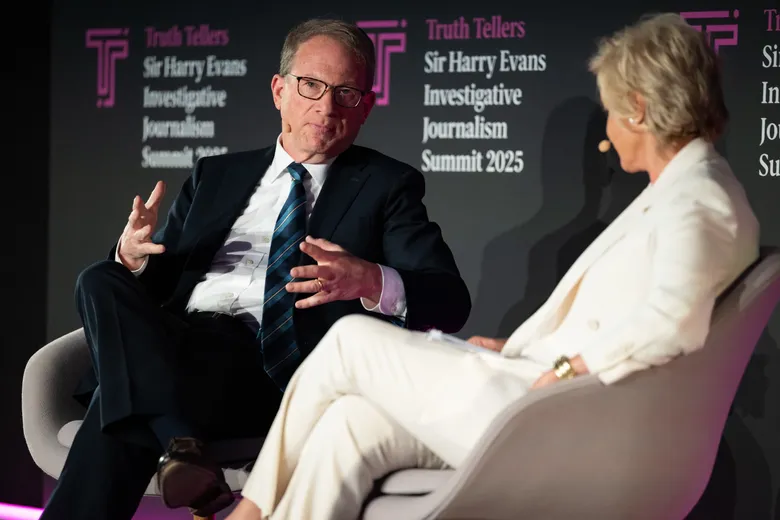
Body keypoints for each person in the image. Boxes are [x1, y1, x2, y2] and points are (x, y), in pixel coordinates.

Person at [225, 13, 761, 520]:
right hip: (541, 390)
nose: (609, 131)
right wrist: (522, 349)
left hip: (562, 415)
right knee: (349, 424)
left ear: (639, 109)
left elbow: (671, 322)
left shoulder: (699, 202)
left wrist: (566, 367)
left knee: (349, 341)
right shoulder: (684, 195)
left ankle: (248, 510)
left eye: (612, 111)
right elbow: (634, 314)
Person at [39, 17, 471, 520]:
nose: (326, 106)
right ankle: (184, 444)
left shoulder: (387, 185)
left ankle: (180, 442)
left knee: (122, 402)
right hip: (177, 345)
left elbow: (449, 298)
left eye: (347, 92)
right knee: (99, 276)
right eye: (311, 85)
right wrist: (133, 259)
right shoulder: (216, 174)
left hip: (269, 363)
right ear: (279, 90)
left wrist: (369, 279)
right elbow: (158, 287)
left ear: (366, 107)